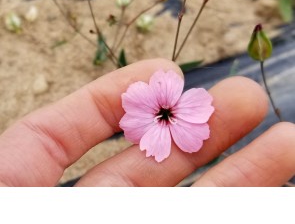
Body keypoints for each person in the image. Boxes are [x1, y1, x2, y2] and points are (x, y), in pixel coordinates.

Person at [0, 59, 294, 187]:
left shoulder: (166, 113)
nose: (166, 115)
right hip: (159, 119)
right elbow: (137, 125)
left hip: (165, 118)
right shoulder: (157, 114)